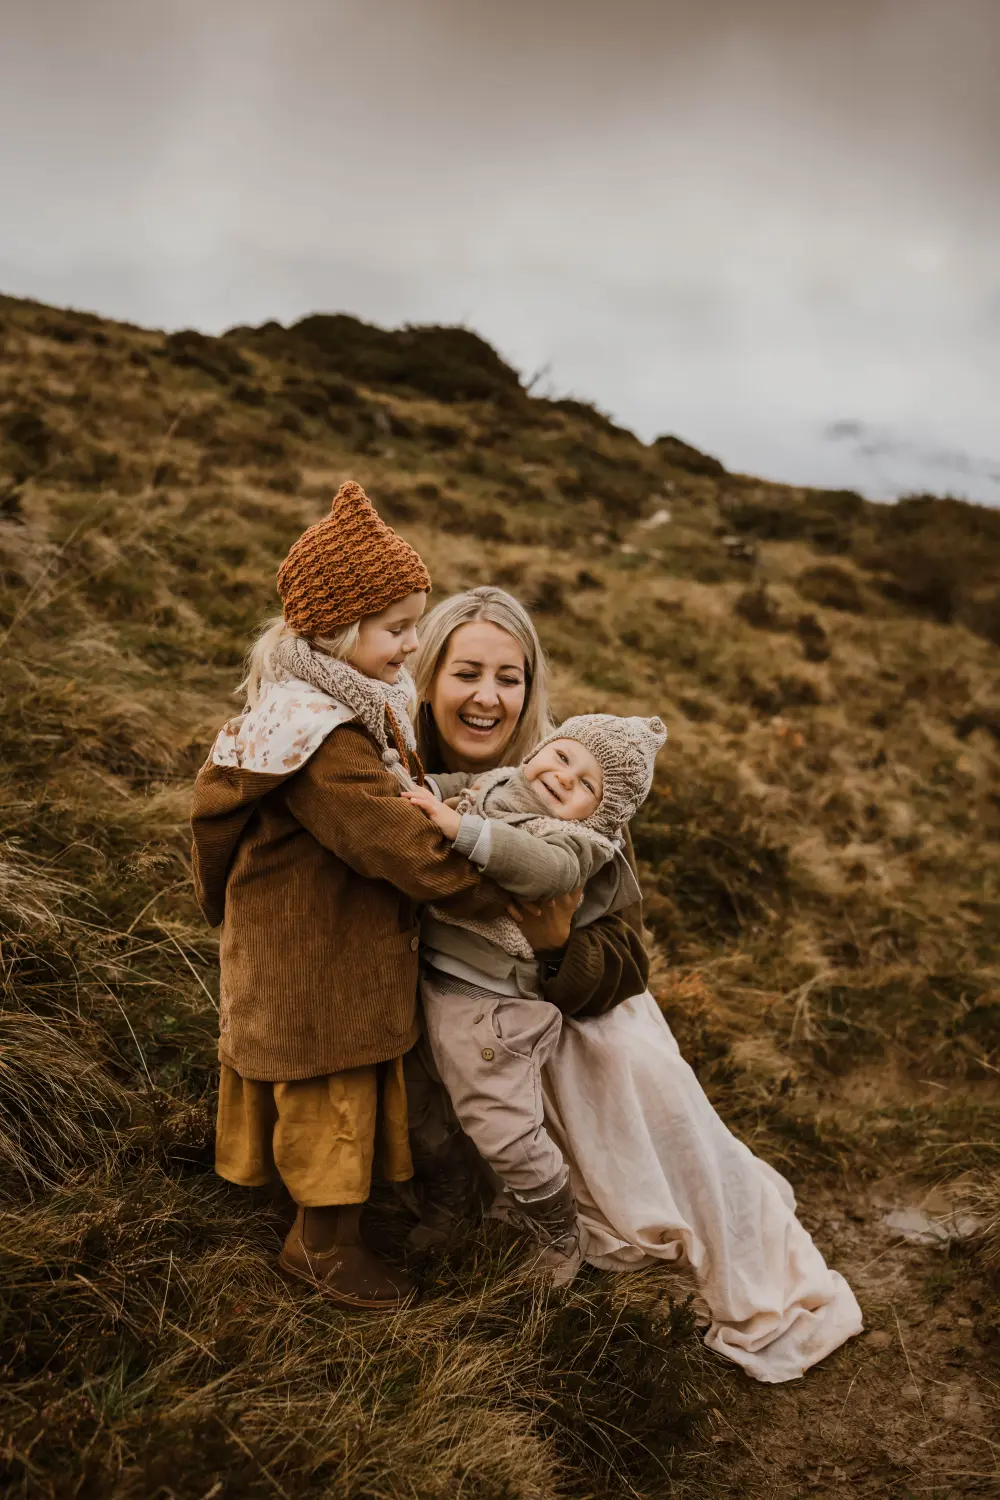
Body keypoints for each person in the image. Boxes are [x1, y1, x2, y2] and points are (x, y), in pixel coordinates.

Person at [410, 588, 864, 1384]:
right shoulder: (405, 767)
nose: (487, 697)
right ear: (429, 672)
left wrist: (556, 948)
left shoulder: (578, 786)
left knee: (636, 1071)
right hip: (447, 1002)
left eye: (509, 678)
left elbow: (625, 954)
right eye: (468, 672)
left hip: (563, 1003)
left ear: (530, 689)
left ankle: (648, 1222)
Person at [189, 482, 508, 1312]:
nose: (414, 645)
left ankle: (318, 1218)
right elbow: (392, 841)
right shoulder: (323, 738)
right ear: (339, 629)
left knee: (325, 1090)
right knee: (330, 1093)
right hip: (317, 960)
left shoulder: (324, 701)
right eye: (398, 628)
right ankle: (322, 1247)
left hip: (308, 946)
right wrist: (489, 882)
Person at [403, 712, 667, 1286]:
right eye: (565, 756)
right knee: (419, 1111)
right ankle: (452, 1200)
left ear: (601, 816)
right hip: (430, 988)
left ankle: (554, 1226)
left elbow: (540, 870)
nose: (567, 777)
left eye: (589, 785)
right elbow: (453, 788)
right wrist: (416, 790)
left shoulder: (574, 844)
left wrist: (460, 830)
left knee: (505, 1130)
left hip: (493, 1011)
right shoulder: (501, 781)